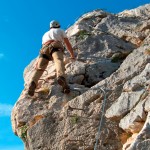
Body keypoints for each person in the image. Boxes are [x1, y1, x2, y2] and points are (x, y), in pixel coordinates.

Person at [27, 20, 75, 96]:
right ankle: (61, 77)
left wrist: (38, 61)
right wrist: (72, 55)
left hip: (44, 49)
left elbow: (42, 46)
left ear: (50, 27)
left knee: (40, 68)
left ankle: (33, 82)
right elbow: (67, 43)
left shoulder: (45, 34)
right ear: (58, 25)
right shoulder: (60, 30)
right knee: (58, 61)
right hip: (55, 46)